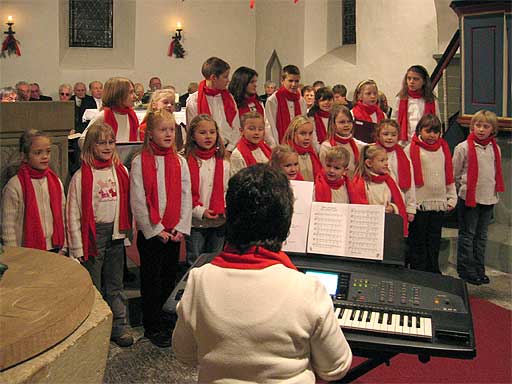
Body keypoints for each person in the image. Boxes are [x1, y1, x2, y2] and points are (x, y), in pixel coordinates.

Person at [172, 163, 353, 383]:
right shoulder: (307, 289)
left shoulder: (199, 281)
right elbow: (335, 367)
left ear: (230, 216)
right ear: (286, 222)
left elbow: (185, 355)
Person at [66, 122, 134, 347]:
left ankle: (119, 325)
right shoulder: (81, 177)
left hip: (115, 233)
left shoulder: (121, 171)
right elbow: (73, 213)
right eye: (101, 142)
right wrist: (77, 246)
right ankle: (94, 328)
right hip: (92, 236)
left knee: (115, 283)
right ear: (90, 147)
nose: (107, 146)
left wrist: (126, 233)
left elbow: (127, 205)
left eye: (111, 142)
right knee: (93, 284)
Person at [130, 110, 191, 348]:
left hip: (174, 232)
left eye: (171, 130)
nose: (168, 134)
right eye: (162, 130)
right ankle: (152, 325)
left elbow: (186, 196)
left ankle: (168, 323)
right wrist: (155, 229)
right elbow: (138, 199)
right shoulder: (139, 161)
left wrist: (179, 228)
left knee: (169, 279)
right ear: (150, 134)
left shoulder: (180, 161)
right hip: (153, 235)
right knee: (151, 281)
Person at [452, 110, 504, 285]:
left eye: (486, 126)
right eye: (478, 125)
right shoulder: (463, 147)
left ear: (493, 129)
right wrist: (464, 188)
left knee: (481, 236)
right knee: (468, 235)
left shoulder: (494, 148)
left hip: (488, 198)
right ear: (472, 126)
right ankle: (466, 269)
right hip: (469, 198)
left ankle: (479, 268)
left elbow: (494, 173)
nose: (481, 129)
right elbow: (455, 173)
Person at [404, 114, 456, 273]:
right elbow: (408, 178)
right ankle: (419, 270)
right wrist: (410, 204)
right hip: (420, 203)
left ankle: (433, 269)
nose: (432, 135)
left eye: (436, 132)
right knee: (419, 239)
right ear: (420, 130)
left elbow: (448, 174)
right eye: (428, 131)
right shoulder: (411, 149)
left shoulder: (443, 148)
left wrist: (452, 197)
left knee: (434, 239)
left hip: (438, 202)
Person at [1, 130, 65, 252]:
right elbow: (8, 225)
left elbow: (62, 214)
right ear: (24, 156)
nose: (45, 156)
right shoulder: (15, 185)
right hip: (26, 250)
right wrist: (13, 252)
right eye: (38, 153)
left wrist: (65, 247)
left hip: (55, 246)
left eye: (48, 151)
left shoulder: (55, 181)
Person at [184, 114, 229, 266]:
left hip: (219, 221)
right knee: (195, 261)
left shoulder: (224, 161)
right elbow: (184, 194)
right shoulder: (185, 161)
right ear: (192, 136)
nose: (208, 136)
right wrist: (200, 211)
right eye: (202, 133)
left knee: (215, 261)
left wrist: (224, 207)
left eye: (212, 132)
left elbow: (228, 190)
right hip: (195, 222)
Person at [186, 57, 241, 153]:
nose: (228, 80)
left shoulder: (229, 98)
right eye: (225, 77)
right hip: (204, 151)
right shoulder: (194, 100)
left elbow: (236, 126)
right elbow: (192, 130)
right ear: (213, 78)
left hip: (228, 149)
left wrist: (229, 149)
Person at [353, 145, 408, 236]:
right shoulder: (360, 183)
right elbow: (358, 205)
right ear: (369, 163)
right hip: (369, 227)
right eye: (382, 160)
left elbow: (399, 201)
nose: (386, 163)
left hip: (388, 225)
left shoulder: (389, 180)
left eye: (386, 160)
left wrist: (393, 207)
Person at [374, 119, 416, 223]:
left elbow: (410, 185)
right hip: (378, 201)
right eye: (385, 134)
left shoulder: (404, 157)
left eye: (393, 135)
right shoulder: (372, 154)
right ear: (378, 135)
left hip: (398, 203)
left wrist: (410, 208)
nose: (389, 138)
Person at [79, 77, 138, 148]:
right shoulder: (103, 116)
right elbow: (83, 140)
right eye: (131, 92)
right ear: (119, 94)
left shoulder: (131, 115)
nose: (135, 96)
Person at [391, 65, 440, 144]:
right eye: (409, 78)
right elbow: (394, 120)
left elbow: (437, 122)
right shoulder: (400, 98)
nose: (411, 82)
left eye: (416, 79)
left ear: (424, 81)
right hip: (404, 142)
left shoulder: (431, 100)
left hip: (424, 141)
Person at [228, 66, 275, 146]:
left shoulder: (257, 101)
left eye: (255, 82)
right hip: (240, 145)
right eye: (252, 82)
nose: (255, 85)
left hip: (259, 144)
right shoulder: (232, 101)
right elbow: (234, 128)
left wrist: (272, 144)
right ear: (242, 83)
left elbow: (265, 124)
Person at [265, 65, 307, 145]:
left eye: (297, 81)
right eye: (290, 81)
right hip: (280, 144)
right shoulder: (273, 100)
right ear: (282, 81)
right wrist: (276, 146)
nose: (294, 84)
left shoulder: (301, 101)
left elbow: (303, 125)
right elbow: (271, 126)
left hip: (297, 144)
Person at [319, 104, 366, 175]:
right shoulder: (326, 147)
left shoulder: (358, 145)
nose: (346, 125)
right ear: (333, 124)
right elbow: (324, 172)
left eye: (349, 121)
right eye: (342, 122)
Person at [230, 111, 272, 176]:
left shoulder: (265, 147)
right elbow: (238, 182)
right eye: (252, 129)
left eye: (260, 129)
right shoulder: (237, 155)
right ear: (241, 131)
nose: (256, 132)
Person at [282, 115, 322, 182]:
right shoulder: (286, 155)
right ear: (293, 133)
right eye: (303, 134)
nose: (307, 138)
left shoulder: (311, 152)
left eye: (310, 133)